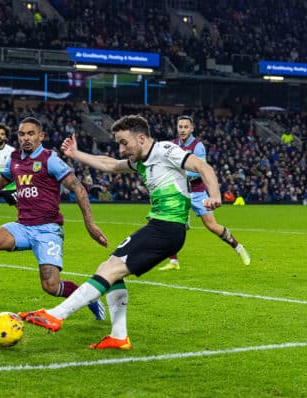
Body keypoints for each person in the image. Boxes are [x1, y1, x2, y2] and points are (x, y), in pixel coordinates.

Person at [19, 115, 223, 350]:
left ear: (142, 138)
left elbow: (201, 165)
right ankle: (118, 336)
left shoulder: (165, 149)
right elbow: (110, 164)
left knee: (110, 269)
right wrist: (76, 154)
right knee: (110, 269)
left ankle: (57, 314)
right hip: (159, 226)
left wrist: (214, 195)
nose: (121, 148)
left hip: (168, 228)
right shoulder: (141, 161)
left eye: (124, 142)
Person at [0, 117, 108, 320]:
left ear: (40, 136)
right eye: (22, 134)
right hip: (22, 227)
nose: (26, 138)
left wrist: (90, 223)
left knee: (51, 286)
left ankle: (89, 298)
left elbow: (78, 188)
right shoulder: (15, 158)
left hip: (47, 230)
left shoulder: (49, 158)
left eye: (31, 133)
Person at [159, 115, 250, 271]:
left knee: (212, 226)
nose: (182, 130)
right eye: (180, 126)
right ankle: (174, 261)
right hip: (179, 192)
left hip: (197, 192)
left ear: (192, 128)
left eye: (185, 127)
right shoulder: (172, 145)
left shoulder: (198, 146)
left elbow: (200, 171)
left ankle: (238, 247)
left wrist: (180, 174)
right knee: (170, 224)